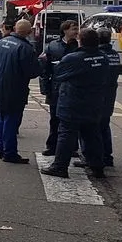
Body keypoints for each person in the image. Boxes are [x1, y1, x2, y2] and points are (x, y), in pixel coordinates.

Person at [40, 28, 109, 179]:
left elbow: (58, 75)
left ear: (81, 41)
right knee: (92, 135)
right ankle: (97, 167)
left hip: (73, 103)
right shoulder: (103, 58)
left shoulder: (73, 58)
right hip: (94, 102)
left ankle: (60, 166)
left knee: (66, 134)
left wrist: (44, 62)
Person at [0, 19, 41, 164]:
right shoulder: (26, 48)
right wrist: (40, 63)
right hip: (15, 89)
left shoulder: (1, 42)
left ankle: (1, 149)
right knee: (11, 121)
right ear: (29, 32)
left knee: (1, 119)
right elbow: (32, 72)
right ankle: (9, 152)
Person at [40, 20, 79, 157]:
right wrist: (45, 88)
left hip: (74, 89)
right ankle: (52, 145)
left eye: (77, 28)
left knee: (72, 120)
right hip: (56, 88)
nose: (76, 31)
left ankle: (72, 147)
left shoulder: (79, 46)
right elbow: (45, 69)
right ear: (65, 30)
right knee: (54, 118)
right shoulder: (53, 46)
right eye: (73, 29)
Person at [91, 28, 120, 168]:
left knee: (93, 127)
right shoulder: (115, 54)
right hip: (110, 94)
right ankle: (107, 156)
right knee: (104, 125)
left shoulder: (98, 55)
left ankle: (95, 157)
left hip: (97, 95)